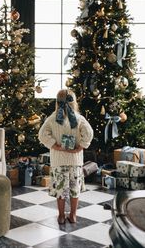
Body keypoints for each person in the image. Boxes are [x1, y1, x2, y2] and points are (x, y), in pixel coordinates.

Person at [38, 89, 93, 224]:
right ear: (74, 102)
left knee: (60, 190)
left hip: (58, 161)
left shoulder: (53, 118)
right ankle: (73, 215)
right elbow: (89, 133)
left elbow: (42, 135)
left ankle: (61, 216)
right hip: (75, 161)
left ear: (57, 102)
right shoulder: (79, 118)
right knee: (75, 189)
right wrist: (80, 147)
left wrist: (55, 146)